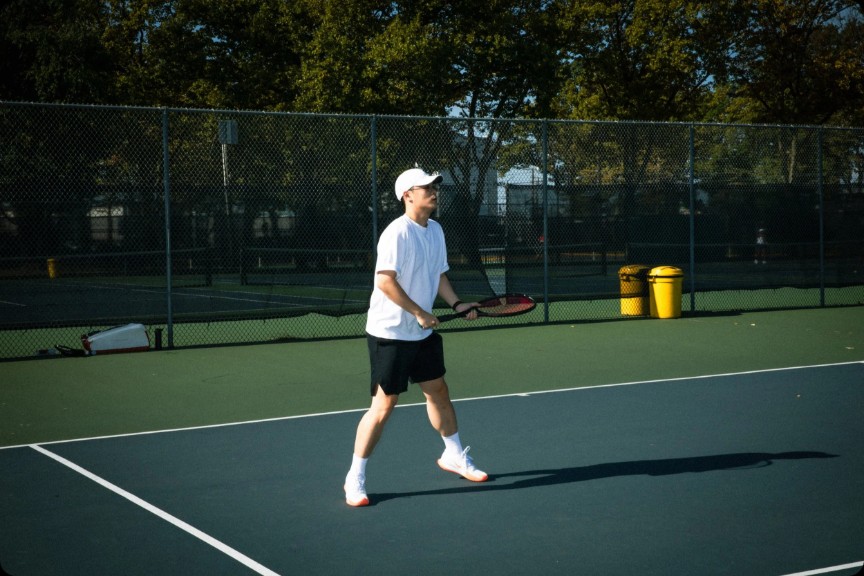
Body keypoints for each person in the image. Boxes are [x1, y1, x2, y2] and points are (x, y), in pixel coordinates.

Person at [343, 167, 489, 507]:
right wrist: (418, 312)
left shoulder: (435, 230)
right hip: (390, 332)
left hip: (420, 334)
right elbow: (385, 281)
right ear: (408, 194)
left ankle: (453, 455)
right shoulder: (397, 233)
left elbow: (438, 274)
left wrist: (455, 302)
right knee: (384, 406)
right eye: (427, 187)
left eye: (435, 186)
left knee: (438, 391)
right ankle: (355, 476)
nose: (434, 191)